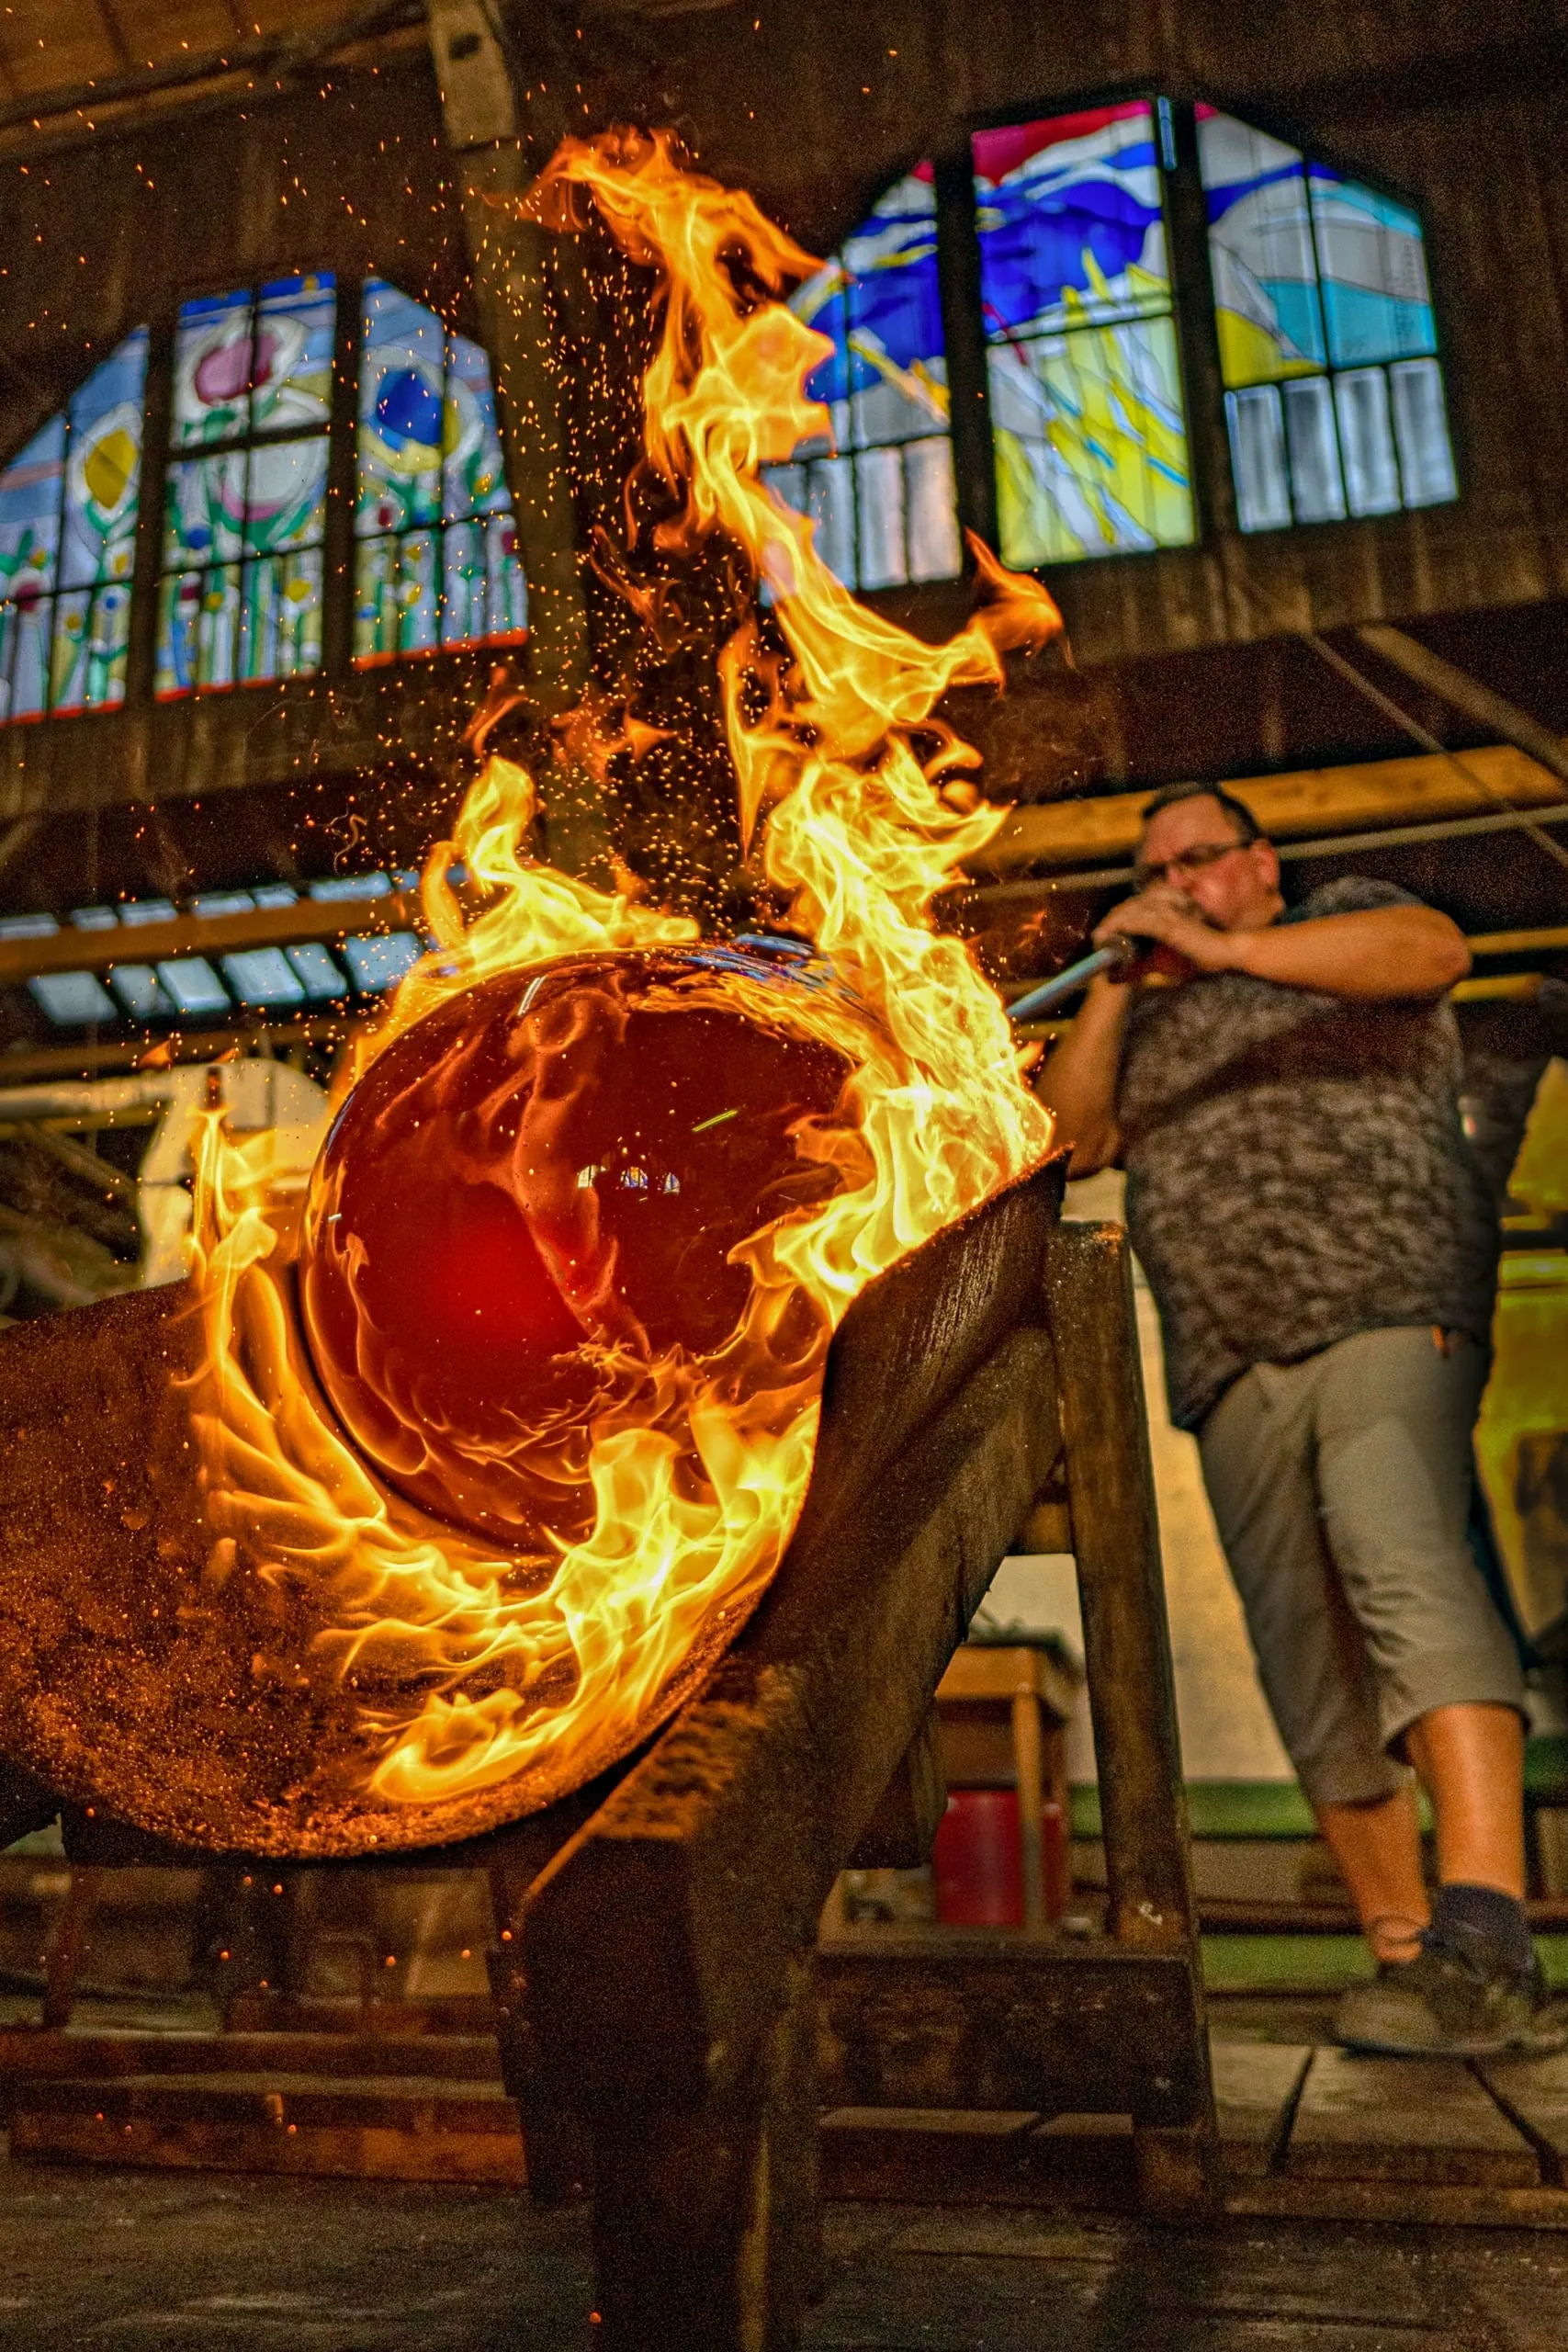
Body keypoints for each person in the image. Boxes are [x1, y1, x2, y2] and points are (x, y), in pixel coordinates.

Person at [1038, 778, 1559, 2056]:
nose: (1174, 886)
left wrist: (1217, 945)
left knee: (1403, 1565)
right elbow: (1063, 1135)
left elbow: (1434, 952)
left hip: (1382, 1308)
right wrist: (1117, 976)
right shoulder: (1147, 1026)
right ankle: (1406, 1956)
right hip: (1224, 1366)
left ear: (1260, 865)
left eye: (1198, 860)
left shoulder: (1345, 924)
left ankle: (1486, 1925)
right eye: (1154, 873)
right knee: (1303, 1659)